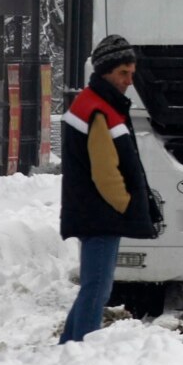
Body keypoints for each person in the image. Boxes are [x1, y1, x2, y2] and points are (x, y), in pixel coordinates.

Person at [59, 35, 158, 343]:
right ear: (105, 71)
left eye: (132, 72)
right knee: (98, 287)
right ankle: (81, 350)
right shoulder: (100, 110)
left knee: (94, 285)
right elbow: (105, 172)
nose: (130, 80)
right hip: (100, 213)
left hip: (92, 210)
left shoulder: (93, 103)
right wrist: (127, 206)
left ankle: (69, 347)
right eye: (123, 73)